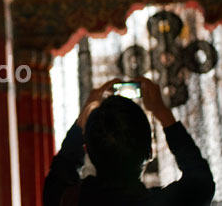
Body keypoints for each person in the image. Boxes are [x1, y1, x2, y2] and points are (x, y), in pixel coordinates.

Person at [43, 77, 215, 206]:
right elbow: (201, 180)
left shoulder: (66, 200)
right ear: (150, 152)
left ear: (86, 149)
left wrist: (88, 109)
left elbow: (62, 170)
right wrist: (162, 112)